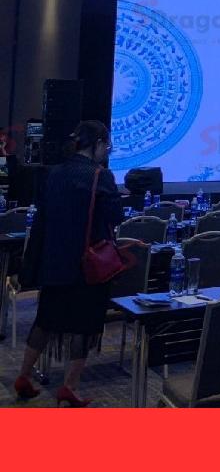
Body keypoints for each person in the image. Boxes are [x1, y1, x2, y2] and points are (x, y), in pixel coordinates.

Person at [12, 121, 123, 406]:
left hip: (54, 261)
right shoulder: (101, 176)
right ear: (97, 144)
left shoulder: (54, 173)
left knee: (45, 320)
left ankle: (23, 375)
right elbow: (115, 217)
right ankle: (69, 387)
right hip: (87, 264)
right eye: (106, 145)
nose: (106, 151)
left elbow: (43, 217)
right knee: (84, 326)